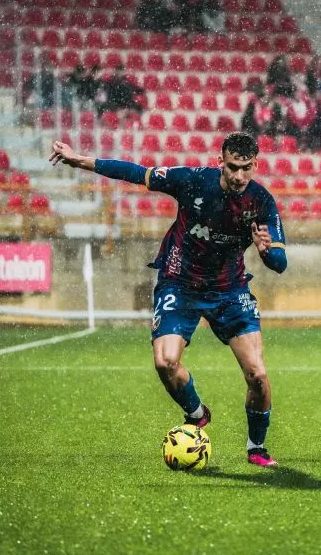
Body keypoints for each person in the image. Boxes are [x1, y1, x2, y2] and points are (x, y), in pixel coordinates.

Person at [49, 132, 288, 466]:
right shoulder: (192, 181)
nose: (239, 175)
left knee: (258, 376)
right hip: (180, 283)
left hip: (230, 291)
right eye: (233, 167)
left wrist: (266, 252)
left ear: (255, 165)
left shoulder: (261, 202)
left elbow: (280, 263)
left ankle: (256, 448)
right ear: (220, 161)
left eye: (246, 168)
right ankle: (197, 413)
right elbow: (137, 173)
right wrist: (80, 161)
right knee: (165, 363)